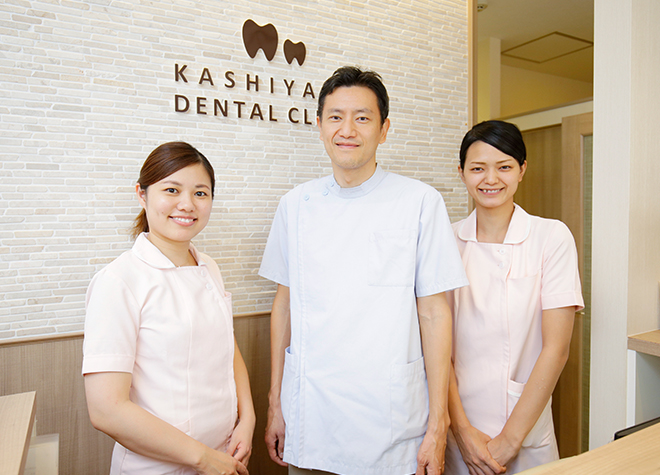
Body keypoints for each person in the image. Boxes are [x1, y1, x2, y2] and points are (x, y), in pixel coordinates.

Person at [258, 66, 469, 475]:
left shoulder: (420, 202)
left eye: (362, 118)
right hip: (310, 419)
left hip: (390, 424)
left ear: (384, 129)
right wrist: (275, 403)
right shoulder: (295, 205)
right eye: (335, 117)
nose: (347, 130)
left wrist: (439, 422)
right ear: (319, 125)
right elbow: (284, 306)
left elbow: (434, 313)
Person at [82, 142, 255, 475]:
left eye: (200, 193)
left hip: (224, 454)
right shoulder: (119, 281)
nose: (187, 204)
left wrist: (247, 418)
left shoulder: (208, 266)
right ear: (142, 194)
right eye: (172, 190)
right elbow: (107, 410)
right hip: (159, 467)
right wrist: (204, 459)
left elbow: (225, 345)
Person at [444, 121, 584, 475]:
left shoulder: (551, 237)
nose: (491, 179)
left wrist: (509, 441)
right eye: (478, 168)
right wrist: (462, 433)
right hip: (461, 431)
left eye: (504, 167)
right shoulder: (446, 242)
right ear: (461, 172)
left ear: (522, 170)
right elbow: (439, 351)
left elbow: (556, 349)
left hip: (526, 433)